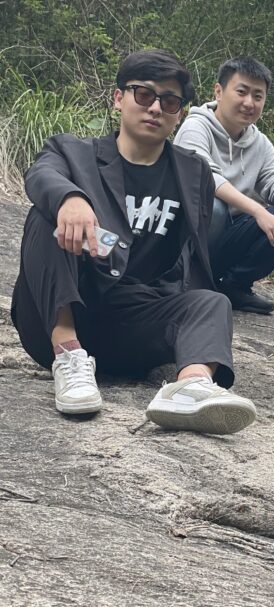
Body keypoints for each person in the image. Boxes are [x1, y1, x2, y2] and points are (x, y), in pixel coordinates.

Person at [11, 49, 257, 434]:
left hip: (132, 323)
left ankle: (191, 387)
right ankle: (69, 356)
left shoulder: (193, 173)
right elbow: (42, 175)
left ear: (179, 114)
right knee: (46, 215)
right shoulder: (73, 153)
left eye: (169, 101)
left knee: (212, 301)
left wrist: (185, 317)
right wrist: (71, 199)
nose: (155, 107)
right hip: (59, 315)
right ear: (119, 98)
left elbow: (190, 257)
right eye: (144, 94)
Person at [174, 56, 274, 314]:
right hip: (186, 241)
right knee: (214, 206)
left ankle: (234, 286)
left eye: (258, 96)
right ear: (219, 91)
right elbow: (205, 177)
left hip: (228, 236)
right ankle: (190, 281)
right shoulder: (195, 127)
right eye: (242, 92)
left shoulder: (259, 142)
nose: (249, 103)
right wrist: (258, 211)